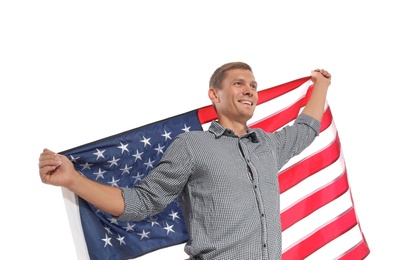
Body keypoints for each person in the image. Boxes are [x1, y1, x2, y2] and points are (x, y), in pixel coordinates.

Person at [39, 62, 331, 260]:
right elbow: (142, 201)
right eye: (239, 83)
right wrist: (73, 180)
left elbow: (306, 129)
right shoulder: (193, 145)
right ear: (214, 95)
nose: (249, 90)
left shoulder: (267, 146)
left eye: (253, 85)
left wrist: (321, 85)